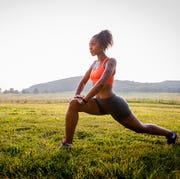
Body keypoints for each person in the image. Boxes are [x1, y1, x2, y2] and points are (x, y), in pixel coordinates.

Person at [61, 30, 178, 147]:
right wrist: (77, 95)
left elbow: (101, 82)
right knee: (74, 104)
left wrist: (85, 99)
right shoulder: (94, 64)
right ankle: (68, 143)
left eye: (93, 44)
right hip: (99, 103)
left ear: (102, 45)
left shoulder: (111, 62)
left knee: (139, 128)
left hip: (113, 103)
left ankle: (170, 134)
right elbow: (83, 81)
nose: (90, 47)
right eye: (89, 45)